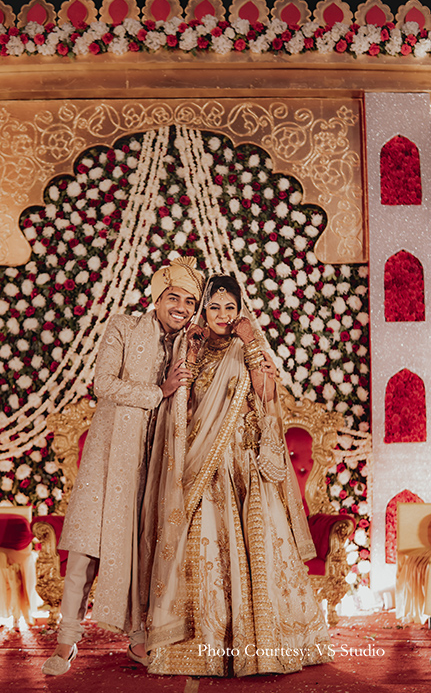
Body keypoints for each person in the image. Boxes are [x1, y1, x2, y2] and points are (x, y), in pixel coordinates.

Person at [140, 274, 333, 677]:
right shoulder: (191, 346)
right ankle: (208, 645)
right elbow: (181, 405)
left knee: (255, 549)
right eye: (214, 307)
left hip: (244, 463)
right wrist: (191, 358)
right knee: (205, 550)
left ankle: (262, 646)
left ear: (240, 311)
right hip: (204, 464)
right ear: (204, 311)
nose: (223, 315)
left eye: (230, 307)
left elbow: (266, 394)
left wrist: (252, 342)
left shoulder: (247, 347)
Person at [42, 256, 204, 676]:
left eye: (190, 301)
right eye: (174, 297)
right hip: (109, 454)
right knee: (85, 549)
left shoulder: (190, 344)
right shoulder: (124, 327)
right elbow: (104, 383)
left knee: (141, 549)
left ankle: (138, 639)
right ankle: (66, 642)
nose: (181, 307)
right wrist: (159, 391)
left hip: (153, 463)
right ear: (158, 298)